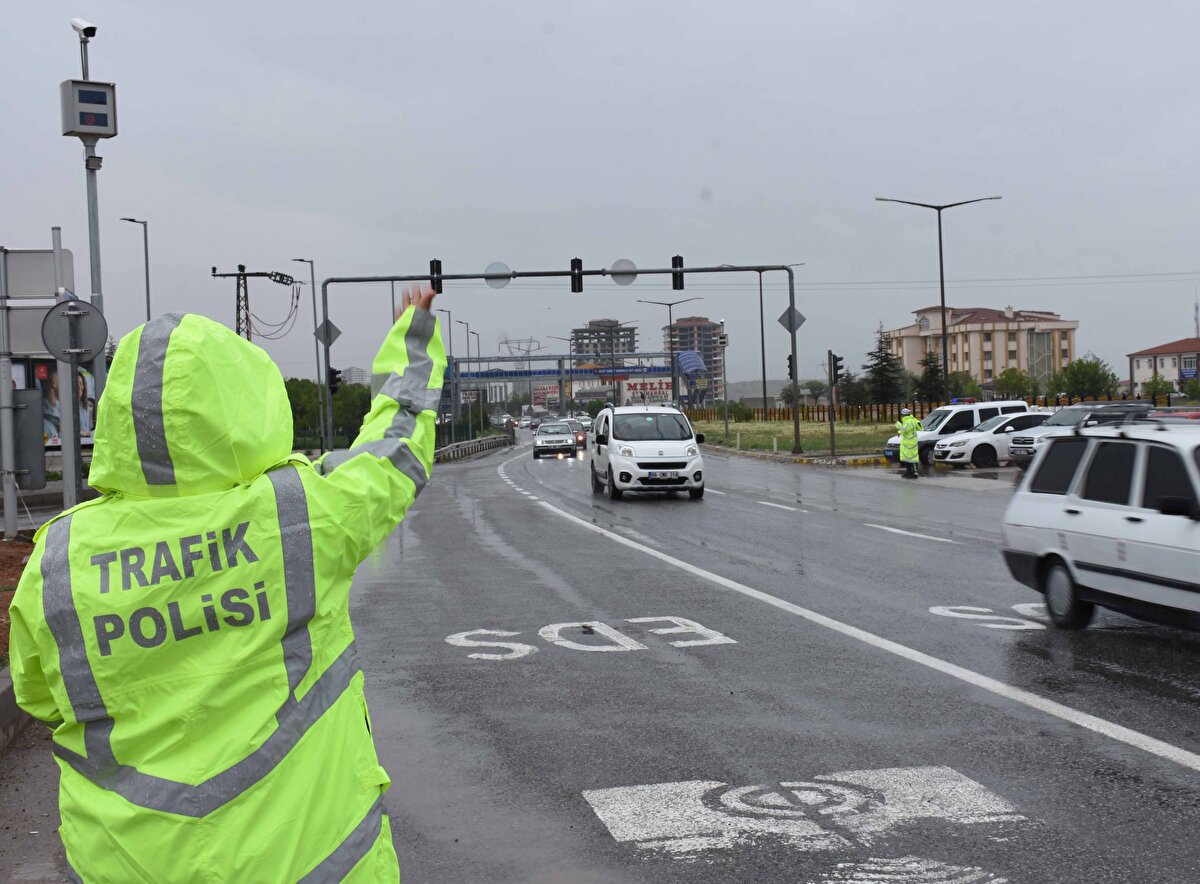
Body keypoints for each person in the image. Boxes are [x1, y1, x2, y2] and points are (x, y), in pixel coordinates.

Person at [9, 284, 444, 881]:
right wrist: (412, 335)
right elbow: (394, 451)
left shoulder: (59, 560)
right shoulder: (298, 521)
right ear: (248, 403)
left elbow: (37, 694)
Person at [895, 407, 922, 479]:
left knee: (912, 459)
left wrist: (898, 425)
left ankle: (914, 473)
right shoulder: (912, 420)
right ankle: (908, 472)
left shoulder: (909, 421)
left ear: (904, 415)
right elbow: (920, 427)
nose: (901, 416)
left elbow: (904, 430)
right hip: (908, 443)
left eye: (902, 415)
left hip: (910, 443)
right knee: (907, 459)